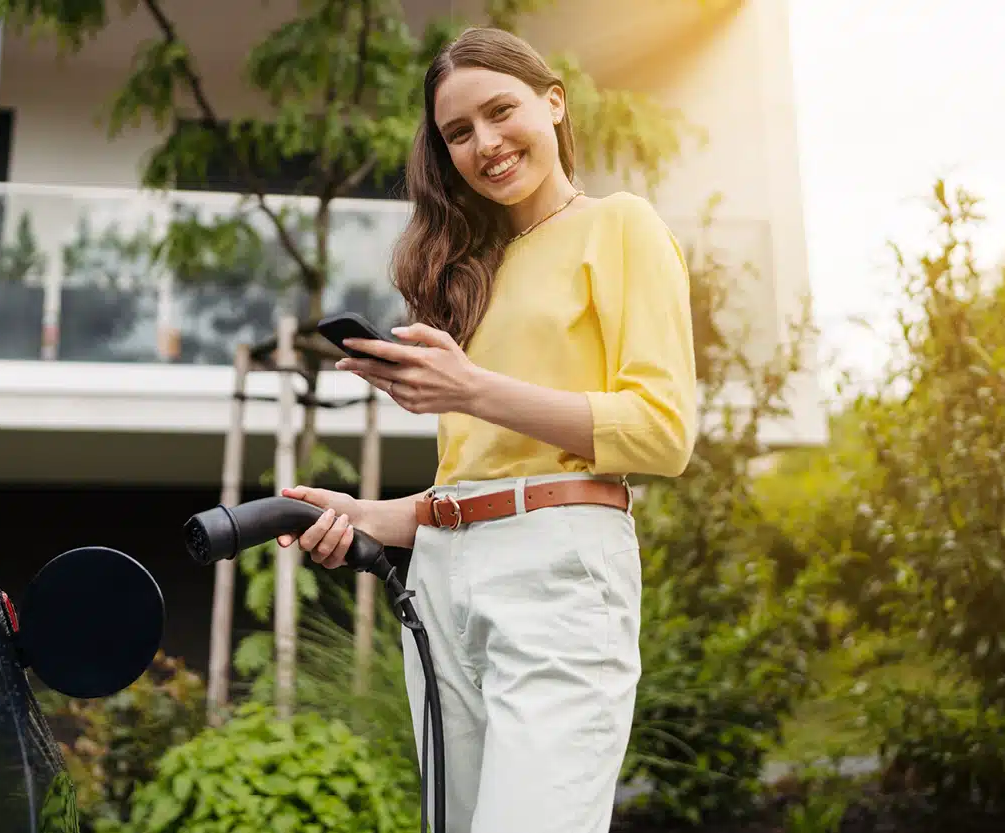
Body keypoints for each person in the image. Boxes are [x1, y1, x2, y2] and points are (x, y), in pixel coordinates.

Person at [273, 25, 698, 833]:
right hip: (443, 577)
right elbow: (483, 477)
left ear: (554, 101)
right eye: (458, 133)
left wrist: (470, 386)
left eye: (501, 112)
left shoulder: (619, 225)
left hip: (559, 575)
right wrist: (377, 516)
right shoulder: (472, 272)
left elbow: (662, 432)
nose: (486, 144)